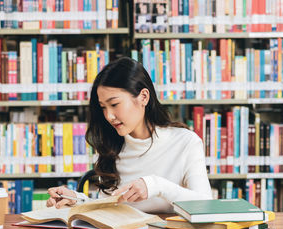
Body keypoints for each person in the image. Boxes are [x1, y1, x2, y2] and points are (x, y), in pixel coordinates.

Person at [47, 57, 212, 213]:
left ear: (143, 97)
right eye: (103, 107)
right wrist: (77, 200)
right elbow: (112, 208)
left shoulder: (185, 143)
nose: (109, 116)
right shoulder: (111, 146)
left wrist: (157, 186)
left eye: (114, 104)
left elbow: (206, 206)